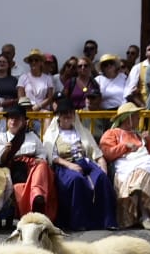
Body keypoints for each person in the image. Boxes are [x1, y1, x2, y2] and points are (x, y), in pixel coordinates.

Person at [41, 97, 114, 230]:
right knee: (77, 180)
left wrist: (102, 167)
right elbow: (52, 156)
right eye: (64, 113)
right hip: (64, 165)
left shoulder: (83, 132)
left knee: (101, 178)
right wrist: (70, 165)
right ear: (58, 116)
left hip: (85, 162)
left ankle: (106, 221)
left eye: (70, 112)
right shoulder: (51, 135)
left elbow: (96, 152)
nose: (67, 116)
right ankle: (80, 222)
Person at [100, 102, 150, 230]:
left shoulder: (138, 134)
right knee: (146, 168)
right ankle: (144, 215)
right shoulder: (112, 133)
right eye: (136, 116)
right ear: (127, 118)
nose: (139, 118)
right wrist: (124, 146)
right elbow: (107, 153)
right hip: (124, 164)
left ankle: (139, 198)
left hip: (142, 163)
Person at [0, 101, 55, 218]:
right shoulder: (1, 138)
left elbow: (42, 153)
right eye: (11, 118)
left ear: (23, 121)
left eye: (17, 118)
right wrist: (6, 151)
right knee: (40, 168)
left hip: (33, 169)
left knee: (42, 165)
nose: (13, 121)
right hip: (15, 170)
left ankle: (38, 196)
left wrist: (38, 159)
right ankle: (37, 198)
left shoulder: (32, 136)